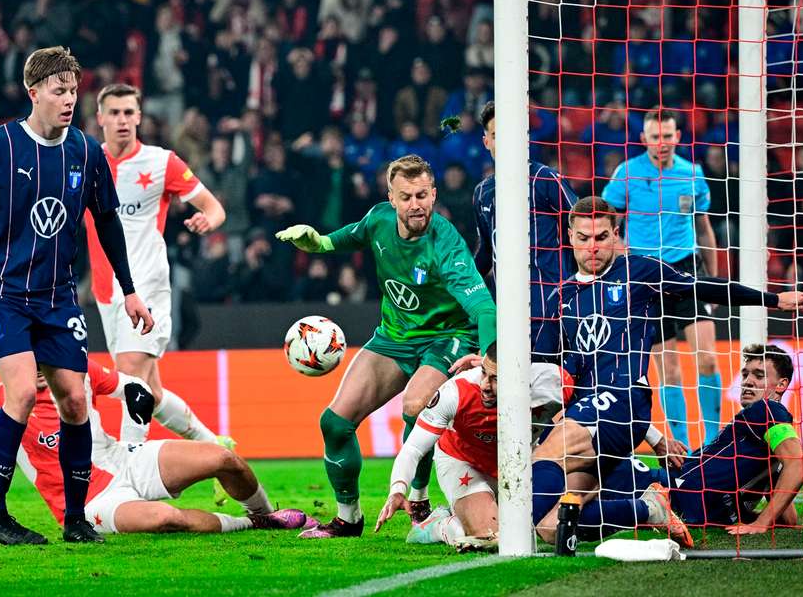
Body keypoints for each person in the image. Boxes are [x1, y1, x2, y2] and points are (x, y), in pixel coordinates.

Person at [0, 47, 153, 545]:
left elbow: (107, 221)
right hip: (4, 295)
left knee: (75, 404)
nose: (68, 100)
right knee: (20, 393)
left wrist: (129, 290)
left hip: (58, 300)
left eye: (73, 90)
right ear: (33, 92)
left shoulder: (86, 152)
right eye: (59, 91)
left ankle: (76, 520)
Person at [529, 196, 803, 538]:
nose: (592, 247)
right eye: (584, 238)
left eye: (602, 237)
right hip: (589, 417)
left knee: (545, 452)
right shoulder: (561, 296)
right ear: (570, 237)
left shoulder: (638, 271)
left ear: (616, 235)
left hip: (622, 401)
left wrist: (771, 299)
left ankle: (504, 531)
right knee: (551, 526)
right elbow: (544, 366)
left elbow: (701, 285)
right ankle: (648, 509)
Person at [276, 155, 496, 538]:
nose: (416, 205)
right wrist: (321, 243)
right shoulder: (379, 219)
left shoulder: (446, 246)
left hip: (447, 338)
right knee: (335, 422)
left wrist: (494, 360)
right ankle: (348, 518)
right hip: (394, 337)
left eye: (423, 195)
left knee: (416, 407)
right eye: (407, 196)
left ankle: (421, 500)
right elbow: (355, 235)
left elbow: (483, 308)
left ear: (434, 194)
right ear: (391, 198)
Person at [375, 344, 687, 551]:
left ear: (520, 379)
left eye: (495, 379)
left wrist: (658, 440)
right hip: (465, 463)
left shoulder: (550, 384)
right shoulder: (456, 393)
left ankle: (652, 506)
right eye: (484, 373)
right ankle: (440, 525)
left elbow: (605, 407)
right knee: (499, 538)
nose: (485, 384)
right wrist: (398, 488)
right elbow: (414, 448)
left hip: (524, 461)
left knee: (551, 528)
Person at [0, 360, 315, 536]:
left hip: (123, 459)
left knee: (224, 458)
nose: (38, 366)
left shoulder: (76, 369)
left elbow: (130, 385)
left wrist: (137, 396)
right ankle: (248, 526)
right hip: (88, 503)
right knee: (166, 518)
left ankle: (266, 515)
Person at [88, 83, 229, 446]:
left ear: (139, 117)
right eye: (114, 113)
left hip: (147, 283)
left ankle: (130, 475)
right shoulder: (85, 161)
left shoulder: (161, 161)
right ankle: (215, 449)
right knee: (152, 392)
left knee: (130, 375)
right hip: (106, 292)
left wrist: (207, 221)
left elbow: (214, 207)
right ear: (100, 117)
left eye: (129, 112)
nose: (122, 120)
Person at [581, 343, 803, 539]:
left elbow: (799, 466)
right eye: (745, 374)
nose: (748, 381)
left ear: (781, 384)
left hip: (671, 492)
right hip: (671, 487)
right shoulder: (766, 439)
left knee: (580, 461)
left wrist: (761, 523)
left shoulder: (767, 409)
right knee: (573, 492)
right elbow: (789, 519)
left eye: (759, 375)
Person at [601, 109, 722, 446]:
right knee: (668, 369)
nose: (662, 143)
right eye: (655, 136)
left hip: (687, 269)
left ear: (678, 137)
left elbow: (704, 227)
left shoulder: (692, 174)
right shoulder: (627, 174)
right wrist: (623, 255)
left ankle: (712, 443)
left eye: (668, 135)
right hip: (646, 277)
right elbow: (606, 222)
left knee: (709, 357)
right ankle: (684, 446)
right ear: (644, 140)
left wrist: (712, 279)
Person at [472, 101, 579, 360]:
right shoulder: (483, 193)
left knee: (548, 390)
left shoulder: (546, 181)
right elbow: (486, 252)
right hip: (507, 314)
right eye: (497, 135)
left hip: (552, 310)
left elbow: (582, 232)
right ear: (487, 142)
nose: (505, 141)